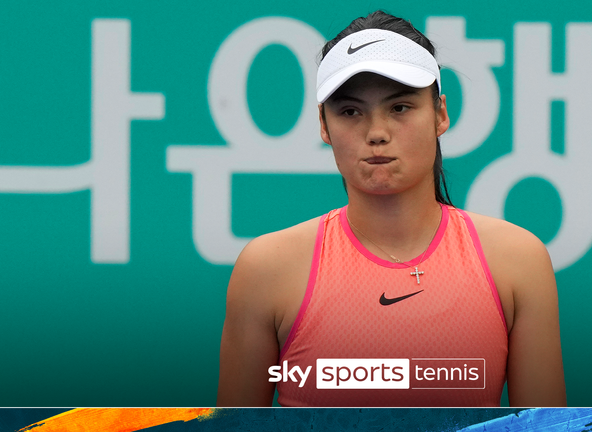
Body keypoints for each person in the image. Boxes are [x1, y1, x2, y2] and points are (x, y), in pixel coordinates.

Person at [216, 10, 565, 407]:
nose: (377, 133)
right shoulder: (266, 269)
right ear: (324, 126)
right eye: (350, 111)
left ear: (440, 114)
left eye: (399, 107)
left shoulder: (518, 261)